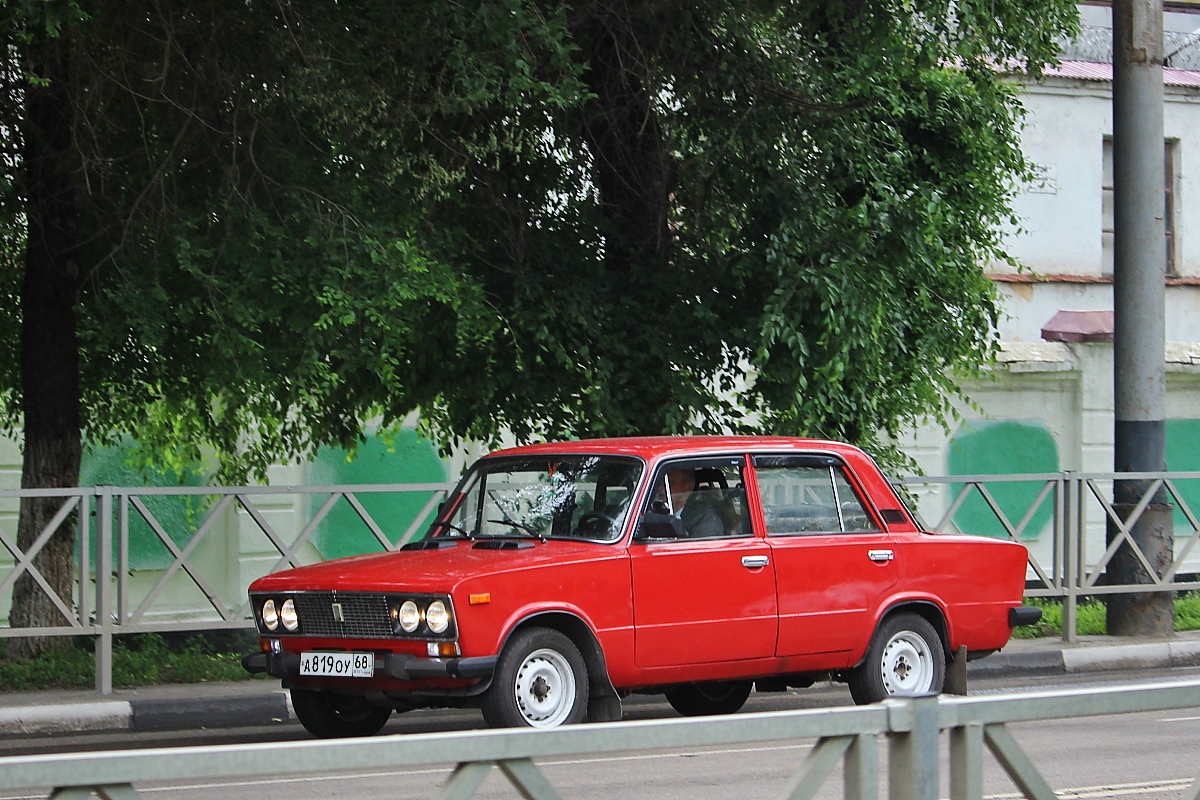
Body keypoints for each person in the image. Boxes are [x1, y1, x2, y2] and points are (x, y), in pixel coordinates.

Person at [666, 469, 725, 538]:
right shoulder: (657, 512)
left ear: (688, 486)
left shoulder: (705, 520)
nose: (661, 488)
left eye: (669, 483)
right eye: (660, 483)